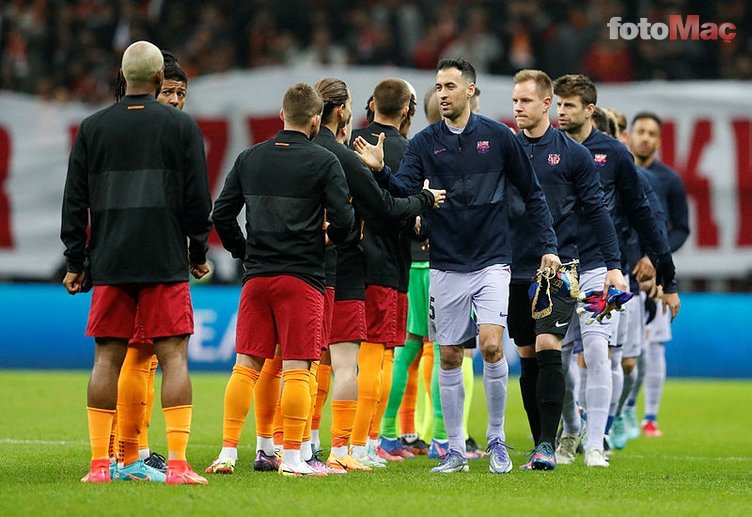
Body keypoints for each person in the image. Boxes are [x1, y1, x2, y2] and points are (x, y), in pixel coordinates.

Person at [355, 58, 560, 474]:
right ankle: (452, 450)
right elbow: (405, 190)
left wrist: (548, 245)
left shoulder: (501, 138)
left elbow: (533, 193)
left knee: (489, 345)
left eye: (449, 86)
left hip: (491, 260)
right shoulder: (425, 142)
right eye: (438, 87)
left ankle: (497, 439)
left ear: (470, 91)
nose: (442, 94)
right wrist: (380, 172)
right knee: (448, 354)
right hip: (445, 262)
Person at [61, 40, 212, 485]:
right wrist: (198, 252)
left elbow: (75, 200)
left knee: (106, 359)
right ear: (157, 80)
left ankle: (99, 466)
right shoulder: (181, 127)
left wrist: (76, 259)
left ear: (124, 76)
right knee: (174, 358)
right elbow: (196, 198)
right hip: (164, 257)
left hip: (110, 260)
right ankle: (180, 465)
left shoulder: (92, 127)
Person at [209, 82, 355, 477]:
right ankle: (292, 457)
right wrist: (329, 238)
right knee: (297, 368)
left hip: (257, 278)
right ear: (314, 121)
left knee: (246, 367)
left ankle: (226, 453)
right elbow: (344, 220)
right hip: (302, 278)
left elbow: (221, 215)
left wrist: (243, 251)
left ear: (281, 115)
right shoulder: (325, 162)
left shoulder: (249, 158)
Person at [311, 77, 445, 471]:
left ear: (370, 105)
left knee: (322, 357)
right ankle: (363, 442)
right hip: (386, 265)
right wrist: (421, 213)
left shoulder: (345, 145)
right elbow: (394, 207)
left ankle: (303, 441)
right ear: (407, 110)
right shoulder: (408, 149)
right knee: (378, 357)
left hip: (337, 264)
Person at [552, 74, 676, 467]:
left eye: (569, 104)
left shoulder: (613, 154)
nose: (561, 111)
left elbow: (641, 213)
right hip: (554, 267)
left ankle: (595, 442)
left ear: (590, 110)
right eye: (559, 103)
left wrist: (665, 274)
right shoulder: (542, 149)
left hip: (600, 268)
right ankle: (571, 428)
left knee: (598, 353)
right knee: (554, 359)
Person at [507, 70, 622, 470]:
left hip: (561, 267)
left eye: (525, 101)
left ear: (545, 103)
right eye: (515, 100)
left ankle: (546, 446)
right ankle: (544, 438)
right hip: (513, 266)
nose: (518, 108)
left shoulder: (573, 155)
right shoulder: (507, 149)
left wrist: (613, 265)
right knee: (525, 354)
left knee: (548, 346)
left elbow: (597, 211)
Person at [110, 50, 190, 476]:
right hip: (148, 256)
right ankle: (131, 452)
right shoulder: (158, 134)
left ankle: (130, 447)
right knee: (138, 356)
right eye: (170, 91)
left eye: (182, 93)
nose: (176, 100)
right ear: (155, 85)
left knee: (142, 356)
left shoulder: (164, 131)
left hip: (148, 252)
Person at [626, 111, 689, 437]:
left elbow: (681, 229)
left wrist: (657, 260)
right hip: (624, 268)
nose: (646, 138)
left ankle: (649, 416)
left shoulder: (670, 180)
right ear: (631, 135)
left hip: (655, 275)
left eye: (652, 133)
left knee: (653, 346)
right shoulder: (620, 173)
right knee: (624, 349)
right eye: (641, 131)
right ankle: (624, 410)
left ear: (659, 141)